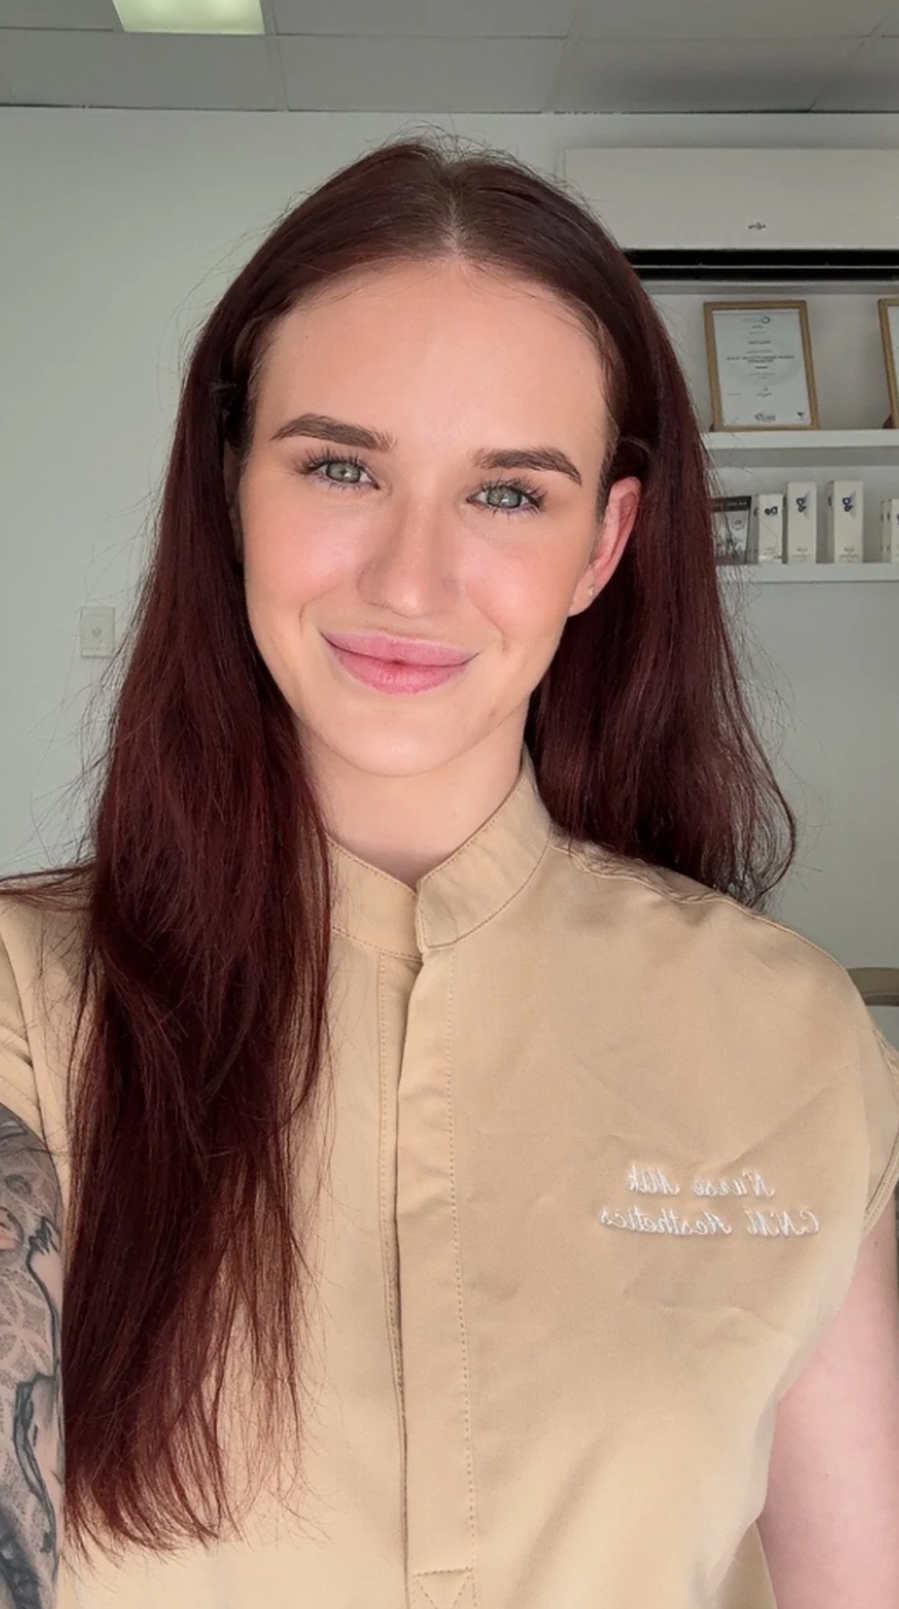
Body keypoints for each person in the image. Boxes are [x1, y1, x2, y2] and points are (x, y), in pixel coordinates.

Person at [0, 131, 897, 1609]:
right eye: (342, 465)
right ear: (231, 483)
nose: (409, 579)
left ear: (603, 545)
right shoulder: (33, 1009)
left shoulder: (788, 1036)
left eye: (506, 494)